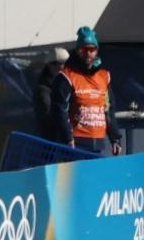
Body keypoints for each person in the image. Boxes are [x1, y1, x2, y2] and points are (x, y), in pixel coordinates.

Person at [50, 26, 122, 154]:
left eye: (91, 49)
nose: (88, 53)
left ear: (96, 51)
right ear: (77, 50)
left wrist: (115, 138)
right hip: (75, 143)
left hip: (98, 143)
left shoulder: (104, 76)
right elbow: (59, 109)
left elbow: (109, 109)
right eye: (83, 49)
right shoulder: (67, 76)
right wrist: (67, 137)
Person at [33, 47, 69, 141]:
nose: (61, 67)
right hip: (54, 141)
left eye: (64, 63)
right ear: (49, 66)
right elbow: (49, 116)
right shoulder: (43, 90)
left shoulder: (69, 84)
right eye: (55, 63)